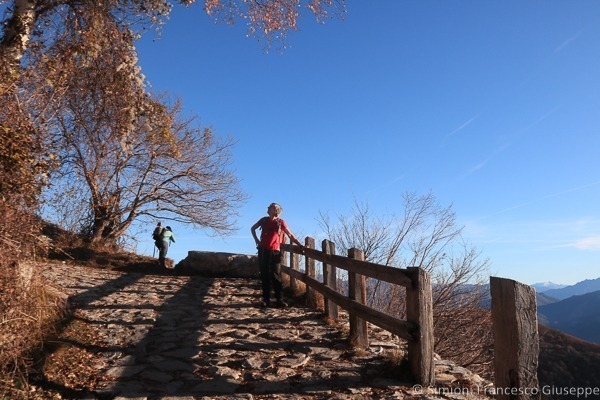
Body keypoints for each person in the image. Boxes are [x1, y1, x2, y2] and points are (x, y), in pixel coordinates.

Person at [251, 203, 303, 308]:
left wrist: (300, 245)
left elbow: (290, 234)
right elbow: (253, 228)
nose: (268, 208)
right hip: (263, 250)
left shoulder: (280, 222)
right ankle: (266, 299)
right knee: (264, 274)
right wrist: (256, 240)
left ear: (275, 210)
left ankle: (279, 299)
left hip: (275, 251)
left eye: (270, 207)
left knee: (276, 275)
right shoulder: (264, 220)